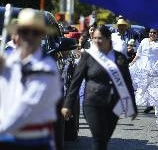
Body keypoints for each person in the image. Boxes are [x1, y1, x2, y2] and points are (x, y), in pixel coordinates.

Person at [61, 25, 137, 150]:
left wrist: (131, 106)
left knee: (104, 139)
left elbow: (127, 83)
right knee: (99, 137)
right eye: (95, 38)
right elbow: (75, 81)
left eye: (100, 38)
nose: (96, 41)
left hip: (114, 105)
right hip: (92, 103)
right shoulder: (88, 56)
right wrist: (68, 104)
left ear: (108, 39)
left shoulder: (119, 58)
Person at [0, 8, 61, 150]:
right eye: (25, 32)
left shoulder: (47, 67)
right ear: (16, 34)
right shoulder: (9, 62)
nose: (30, 36)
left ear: (42, 35)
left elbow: (28, 106)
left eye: (35, 32)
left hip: (33, 141)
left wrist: (2, 128)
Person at [129, 28, 158, 113]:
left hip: (155, 67)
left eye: (154, 32)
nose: (152, 34)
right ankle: (149, 104)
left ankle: (155, 105)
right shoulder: (144, 41)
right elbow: (138, 54)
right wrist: (132, 62)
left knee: (154, 86)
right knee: (144, 86)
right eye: (151, 32)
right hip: (143, 66)